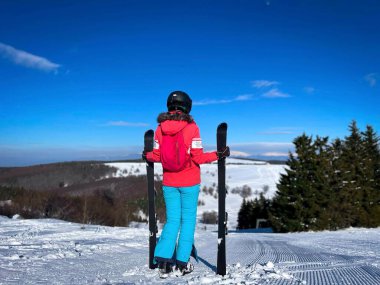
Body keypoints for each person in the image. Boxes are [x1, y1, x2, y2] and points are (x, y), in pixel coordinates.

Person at [143, 90, 230, 277]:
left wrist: (146, 155)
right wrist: (218, 154)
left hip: (169, 183)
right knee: (188, 221)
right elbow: (198, 157)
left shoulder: (160, 128)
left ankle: (164, 261)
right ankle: (182, 262)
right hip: (190, 182)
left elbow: (156, 156)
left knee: (173, 220)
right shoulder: (192, 128)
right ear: (187, 106)